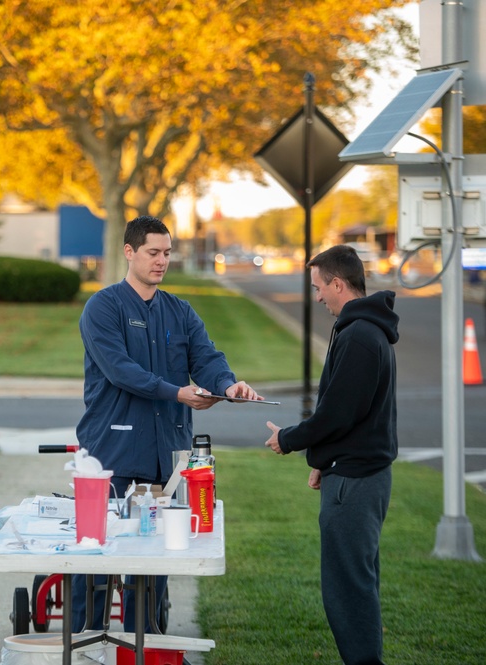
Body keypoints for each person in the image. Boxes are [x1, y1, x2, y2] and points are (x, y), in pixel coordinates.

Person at [73, 215, 261, 633]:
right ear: (129, 252)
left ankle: (148, 641)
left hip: (168, 458)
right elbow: (120, 370)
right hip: (113, 454)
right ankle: (86, 642)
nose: (162, 261)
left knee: (155, 561)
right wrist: (177, 392)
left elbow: (206, 359)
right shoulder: (103, 307)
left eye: (167, 253)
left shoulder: (180, 311)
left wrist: (228, 385)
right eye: (153, 253)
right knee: (97, 559)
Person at [265, 245, 397, 665]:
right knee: (356, 583)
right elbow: (352, 414)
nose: (317, 296)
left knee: (347, 589)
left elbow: (338, 413)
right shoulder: (362, 329)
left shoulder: (359, 335)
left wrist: (289, 439)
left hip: (355, 484)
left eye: (319, 287)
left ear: (338, 283)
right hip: (355, 473)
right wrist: (324, 460)